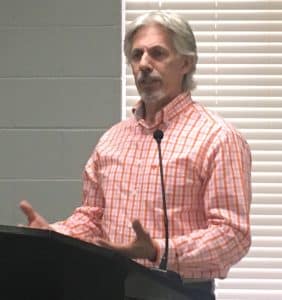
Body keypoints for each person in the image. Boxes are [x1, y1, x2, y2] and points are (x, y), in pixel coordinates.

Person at [19, 11, 252, 300]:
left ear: (186, 63)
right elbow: (93, 218)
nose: (144, 64)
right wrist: (52, 235)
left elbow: (232, 237)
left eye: (157, 53)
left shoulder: (218, 138)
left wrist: (158, 251)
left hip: (177, 291)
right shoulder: (112, 139)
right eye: (136, 54)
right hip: (108, 287)